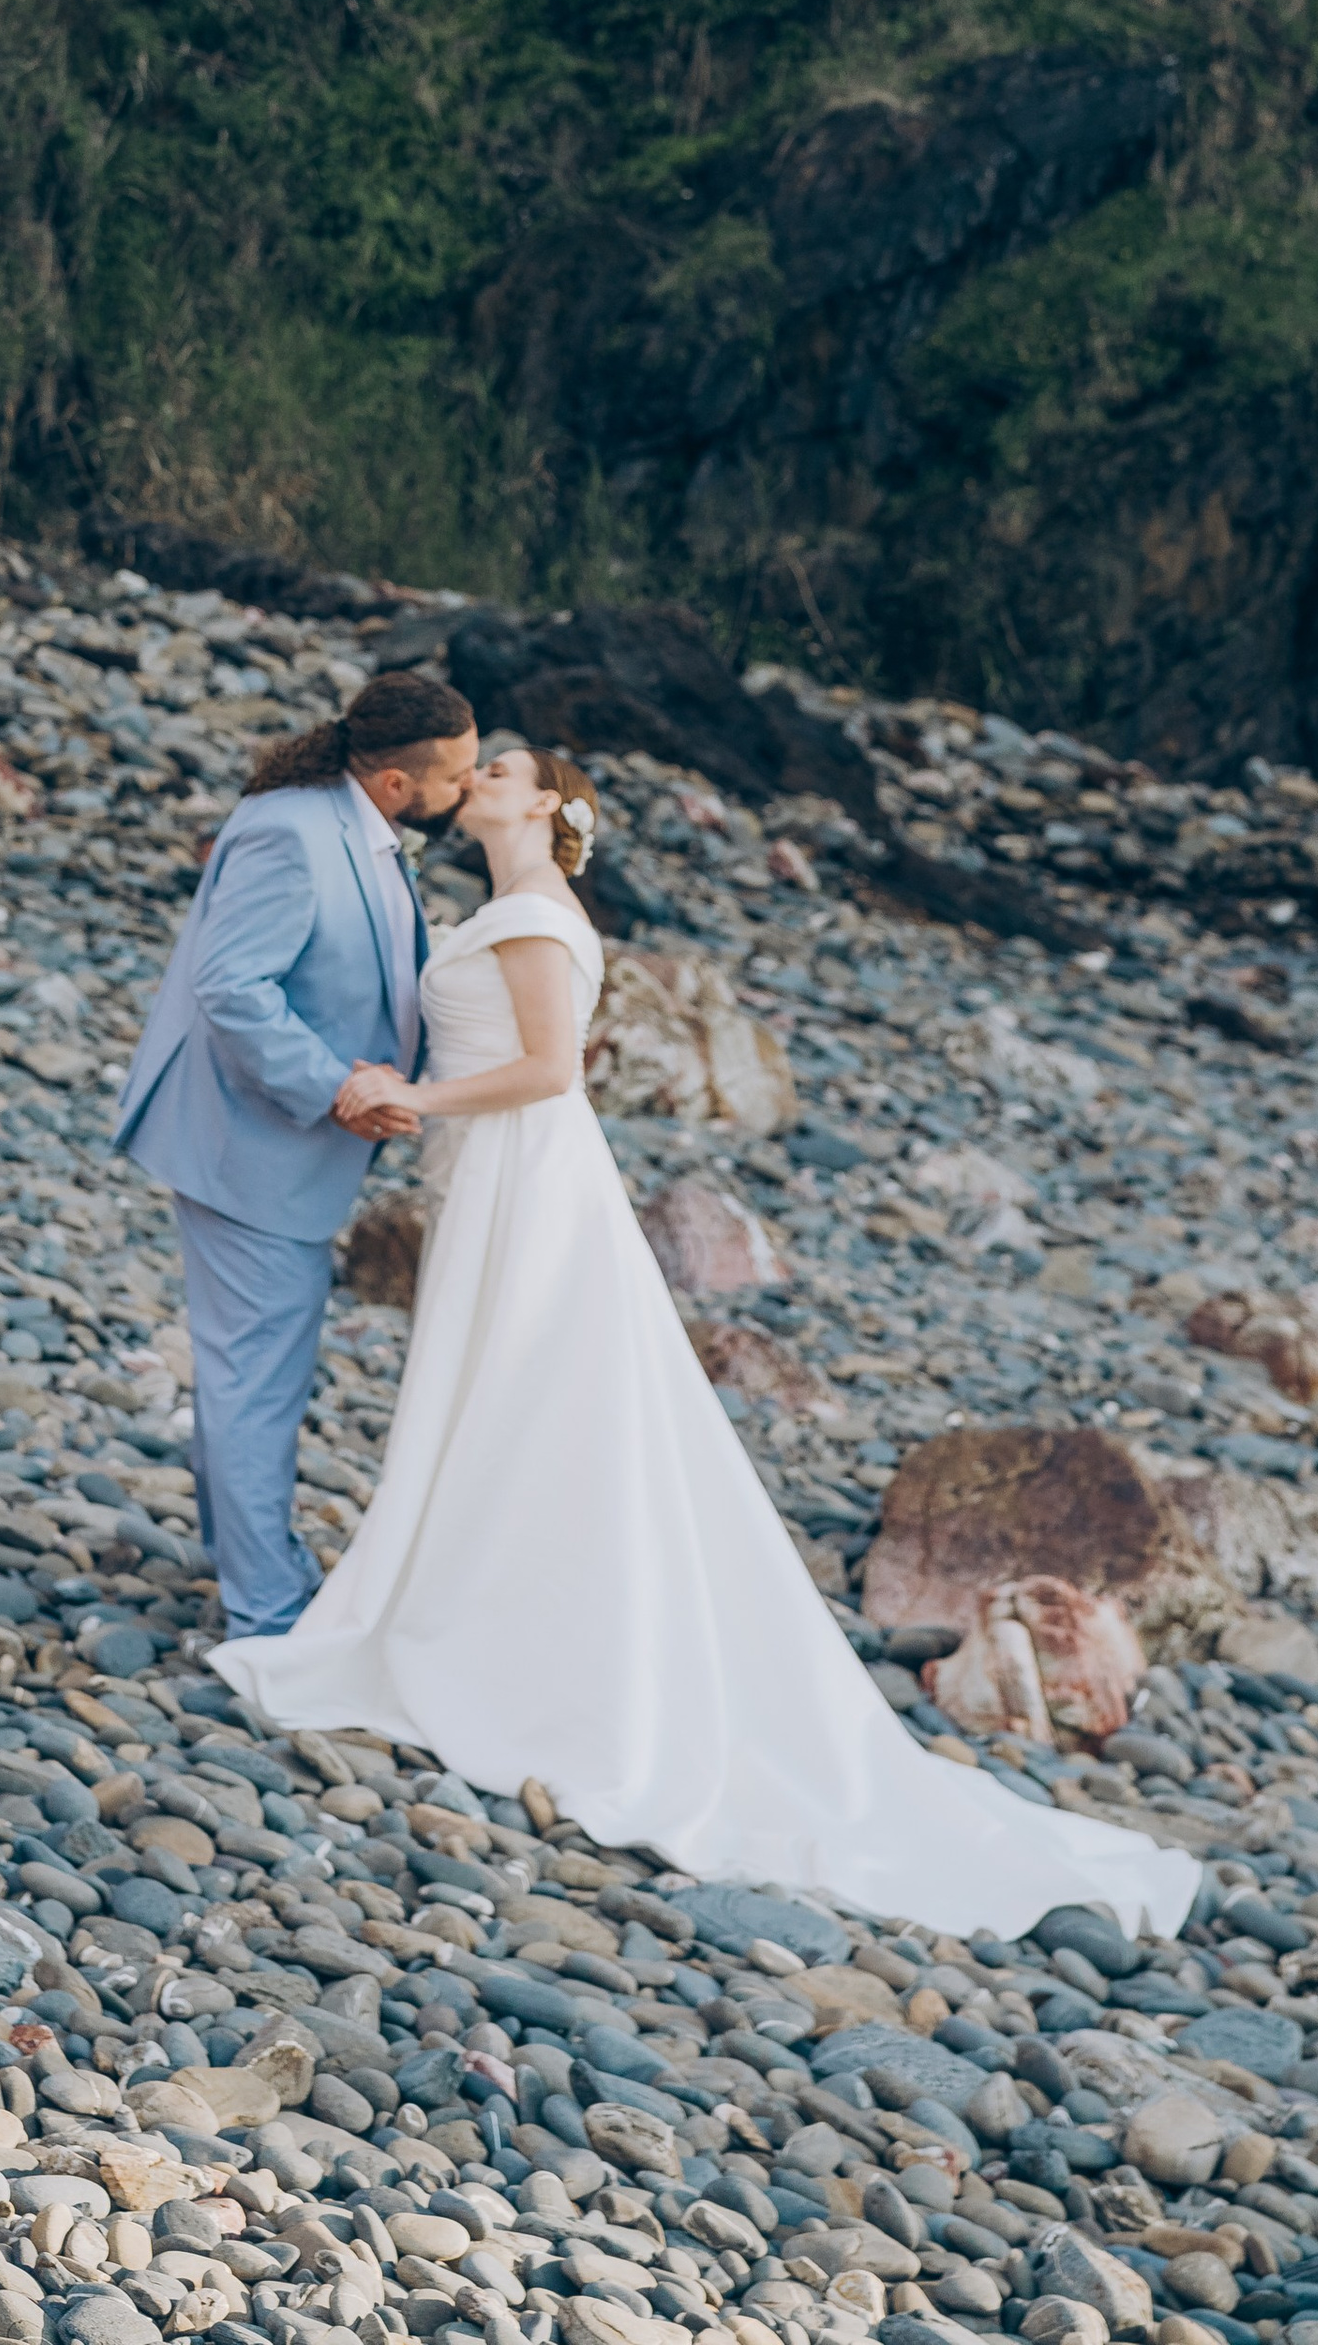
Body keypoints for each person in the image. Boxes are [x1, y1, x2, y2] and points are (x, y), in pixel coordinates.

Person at [213, 742, 1196, 1941]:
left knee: (527, 1394)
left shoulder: (534, 912)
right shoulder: (501, 906)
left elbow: (548, 1070)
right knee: (502, 1397)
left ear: (549, 805)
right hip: (486, 1174)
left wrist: (413, 1098)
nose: (479, 775)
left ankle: (500, 1633)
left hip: (529, 1174)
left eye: (504, 768)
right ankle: (475, 1604)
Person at [110, 671, 478, 1643]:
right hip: (251, 1141)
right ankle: (265, 1616)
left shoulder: (353, 826)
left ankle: (242, 1560)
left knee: (250, 1368)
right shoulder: (292, 830)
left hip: (280, 1147)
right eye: (460, 774)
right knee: (257, 1377)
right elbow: (232, 986)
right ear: (398, 783)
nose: (470, 791)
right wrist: (335, 1091)